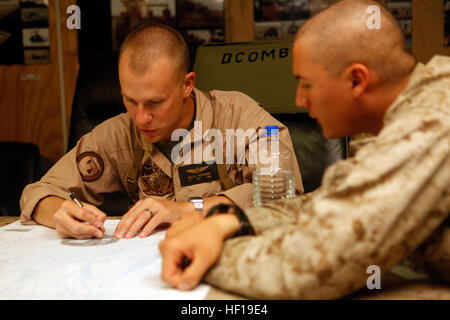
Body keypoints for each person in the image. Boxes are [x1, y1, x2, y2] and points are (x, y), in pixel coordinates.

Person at [159, 0, 450, 299]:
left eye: (306, 85)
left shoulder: (433, 119)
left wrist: (205, 251)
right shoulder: (403, 112)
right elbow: (336, 203)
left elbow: (314, 267)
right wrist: (230, 222)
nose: (299, 100)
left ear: (356, 79)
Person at [19, 23, 303, 240]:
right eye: (130, 100)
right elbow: (38, 192)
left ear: (187, 84)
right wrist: (59, 213)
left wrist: (187, 209)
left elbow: (283, 196)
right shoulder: (120, 132)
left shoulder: (239, 116)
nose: (141, 118)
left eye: (155, 102)